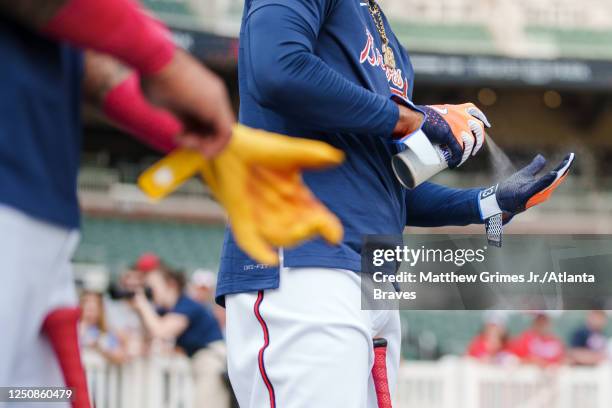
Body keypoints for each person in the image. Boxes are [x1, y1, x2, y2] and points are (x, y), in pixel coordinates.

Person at [217, 0, 574, 406]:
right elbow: (278, 68)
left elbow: (384, 182)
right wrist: (412, 119)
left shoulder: (385, 35)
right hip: (302, 260)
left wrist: (488, 203)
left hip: (374, 277)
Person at [0, 1, 341, 405]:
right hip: (15, 209)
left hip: (41, 220)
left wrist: (207, 141)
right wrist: (164, 61)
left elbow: (88, 65)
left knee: (30, 396)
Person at [132, 267, 230, 408]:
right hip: (197, 364)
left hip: (211, 362)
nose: (150, 292)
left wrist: (143, 305)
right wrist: (140, 310)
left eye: (152, 287)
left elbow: (162, 331)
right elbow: (150, 334)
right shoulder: (167, 310)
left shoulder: (188, 304)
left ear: (171, 284)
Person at [79, 291, 127, 365]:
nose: (90, 312)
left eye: (93, 308)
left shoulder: (104, 333)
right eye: (87, 308)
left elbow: (120, 355)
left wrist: (99, 347)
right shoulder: (73, 329)